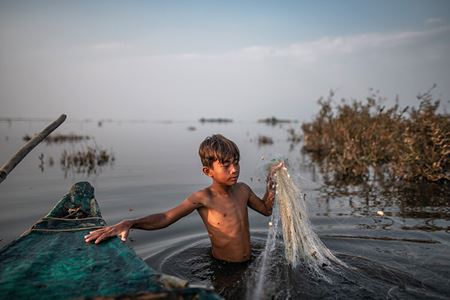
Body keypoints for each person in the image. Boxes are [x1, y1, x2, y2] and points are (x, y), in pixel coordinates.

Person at [84, 134, 283, 263]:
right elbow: (165, 218)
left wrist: (272, 181)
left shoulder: (243, 190)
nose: (234, 169)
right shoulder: (204, 198)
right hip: (223, 268)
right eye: (226, 165)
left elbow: (266, 209)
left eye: (236, 163)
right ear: (208, 171)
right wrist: (129, 222)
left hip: (249, 262)